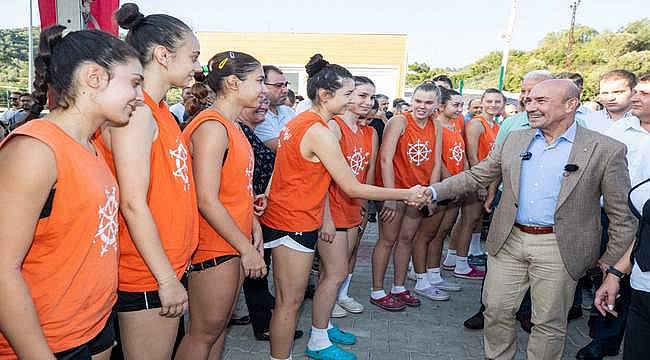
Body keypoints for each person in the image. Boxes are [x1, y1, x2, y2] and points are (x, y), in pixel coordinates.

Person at [428, 79, 637, 360]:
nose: (531, 107)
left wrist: (611, 264)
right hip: (509, 240)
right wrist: (432, 191)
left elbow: (621, 215)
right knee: (496, 309)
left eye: (541, 101)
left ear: (570, 105)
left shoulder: (605, 149)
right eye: (530, 101)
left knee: (548, 322)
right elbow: (478, 175)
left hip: (560, 247)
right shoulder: (516, 139)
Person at [260, 54, 428, 360]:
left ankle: (315, 338)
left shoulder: (300, 121)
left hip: (293, 217)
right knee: (289, 303)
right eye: (348, 94)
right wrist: (405, 193)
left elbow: (284, 167)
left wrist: (268, 192)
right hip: (294, 220)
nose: (354, 100)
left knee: (294, 297)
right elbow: (350, 186)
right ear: (326, 95)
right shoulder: (319, 131)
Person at [0, 25, 143, 359]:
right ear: (94, 77)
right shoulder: (36, 150)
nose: (139, 96)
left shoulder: (89, 145)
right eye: (134, 83)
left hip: (91, 327)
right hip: (47, 341)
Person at [96, 4, 201, 359]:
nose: (198, 68)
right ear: (163, 54)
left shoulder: (161, 113)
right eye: (193, 57)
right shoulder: (137, 113)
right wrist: (166, 279)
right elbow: (132, 202)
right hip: (147, 273)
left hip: (165, 266)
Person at [174, 51, 267, 359]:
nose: (263, 89)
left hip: (232, 241)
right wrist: (246, 248)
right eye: (259, 80)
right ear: (233, 83)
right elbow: (206, 199)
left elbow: (236, 186)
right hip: (215, 246)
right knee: (203, 333)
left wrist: (253, 225)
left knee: (217, 332)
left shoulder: (233, 125)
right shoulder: (212, 127)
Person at [236, 96, 305, 342]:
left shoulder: (250, 131)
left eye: (266, 102)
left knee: (259, 269)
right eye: (258, 101)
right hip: (246, 212)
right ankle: (263, 323)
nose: (263, 106)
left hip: (259, 209)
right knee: (256, 270)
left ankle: (264, 317)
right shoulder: (239, 131)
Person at [370, 82, 443, 308]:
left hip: (418, 192)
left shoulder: (436, 125)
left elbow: (436, 161)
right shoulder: (399, 121)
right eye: (418, 101)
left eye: (428, 102)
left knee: (407, 239)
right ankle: (377, 290)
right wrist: (391, 197)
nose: (422, 106)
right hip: (396, 188)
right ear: (412, 101)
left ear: (437, 105)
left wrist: (431, 194)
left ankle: (399, 287)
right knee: (387, 239)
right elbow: (385, 159)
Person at [593, 76, 650, 360]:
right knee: (609, 275)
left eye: (645, 94)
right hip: (616, 218)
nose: (637, 98)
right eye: (636, 92)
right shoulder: (619, 130)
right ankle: (604, 340)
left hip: (646, 222)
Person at [315, 75, 378, 326]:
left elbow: (366, 171)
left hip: (354, 207)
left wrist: (364, 203)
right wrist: (326, 218)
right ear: (348, 95)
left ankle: (336, 303)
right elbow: (322, 178)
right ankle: (323, 322)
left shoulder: (367, 132)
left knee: (346, 260)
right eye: (362, 95)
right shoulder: (333, 127)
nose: (368, 102)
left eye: (371, 97)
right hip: (334, 206)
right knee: (331, 269)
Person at [442, 88, 504, 281]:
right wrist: (480, 185)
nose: (493, 105)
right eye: (489, 101)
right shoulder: (477, 124)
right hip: (476, 179)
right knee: (469, 220)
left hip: (485, 180)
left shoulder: (497, 127)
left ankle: (453, 258)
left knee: (470, 220)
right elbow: (472, 155)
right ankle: (461, 262)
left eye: (497, 101)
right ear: (482, 102)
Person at [412, 87, 467, 299]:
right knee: (425, 235)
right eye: (456, 104)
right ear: (441, 106)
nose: (460, 109)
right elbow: (439, 161)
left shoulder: (453, 127)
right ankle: (421, 278)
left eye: (462, 105)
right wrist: (451, 184)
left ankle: (434, 274)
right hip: (441, 188)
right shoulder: (437, 128)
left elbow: (458, 158)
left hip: (452, 190)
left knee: (440, 234)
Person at [254, 65, 296, 152]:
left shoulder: (289, 111)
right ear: (262, 85)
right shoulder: (257, 114)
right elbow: (279, 147)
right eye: (278, 85)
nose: (285, 90)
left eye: (286, 85)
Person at [584, 70, 637, 134]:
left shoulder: (645, 121)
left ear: (634, 92)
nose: (610, 98)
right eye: (605, 93)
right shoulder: (586, 122)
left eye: (617, 92)